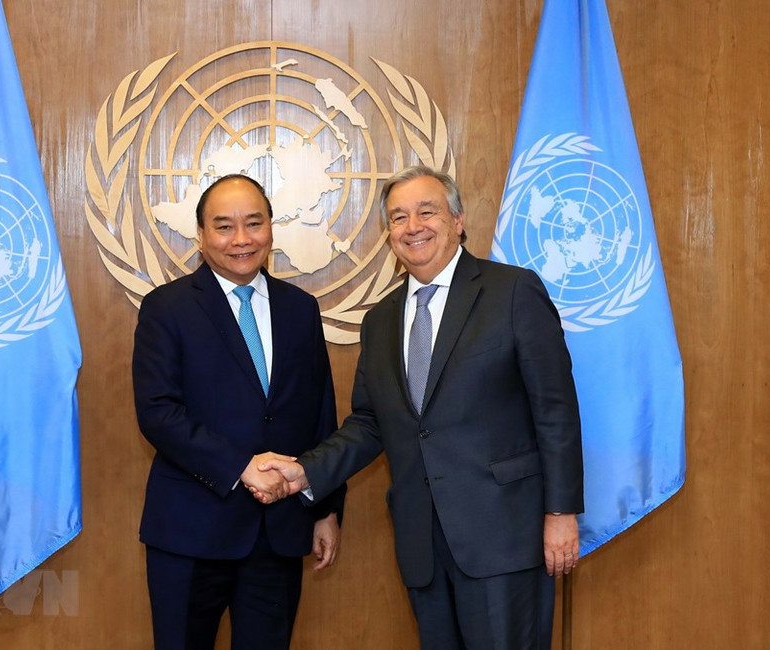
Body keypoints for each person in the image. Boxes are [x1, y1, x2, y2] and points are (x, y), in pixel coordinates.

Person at [254, 166, 583, 649]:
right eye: (399, 218)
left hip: (504, 536)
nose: (413, 227)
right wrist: (305, 472)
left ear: (458, 220)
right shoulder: (381, 319)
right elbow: (370, 424)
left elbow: (555, 409)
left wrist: (561, 513)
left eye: (426, 212)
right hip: (422, 542)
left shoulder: (512, 292)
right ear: (390, 235)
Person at [132, 174, 346, 650]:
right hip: (191, 532)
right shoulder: (166, 308)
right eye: (224, 226)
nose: (242, 239)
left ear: (271, 227)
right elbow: (157, 412)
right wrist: (240, 467)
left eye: (254, 223)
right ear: (201, 236)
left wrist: (326, 508)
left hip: (279, 533)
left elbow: (320, 415)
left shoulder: (301, 308)